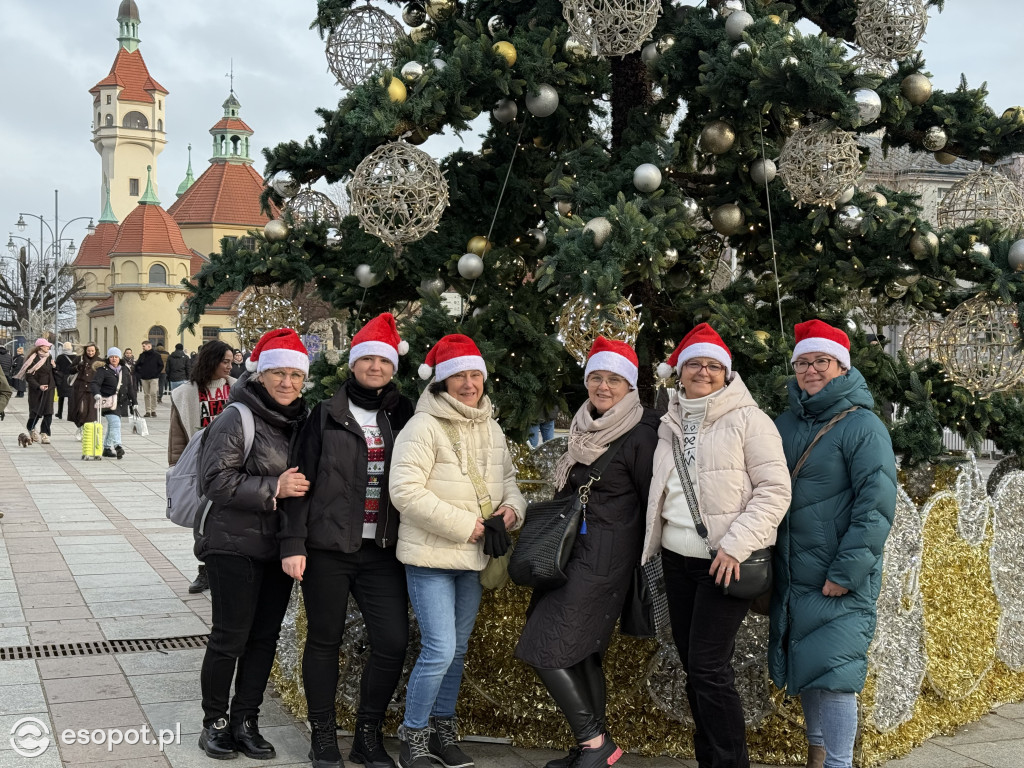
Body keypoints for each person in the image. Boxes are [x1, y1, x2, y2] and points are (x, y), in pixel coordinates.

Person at [641, 324, 791, 768]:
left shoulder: (750, 420)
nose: (703, 372)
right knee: (695, 667)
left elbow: (774, 490)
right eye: (694, 364)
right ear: (679, 371)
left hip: (725, 562)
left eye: (712, 365)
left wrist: (736, 546)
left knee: (708, 667)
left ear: (726, 374)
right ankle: (712, 759)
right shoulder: (669, 421)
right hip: (676, 559)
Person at [515, 336, 658, 768]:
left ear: (630, 386)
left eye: (614, 379)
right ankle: (592, 748)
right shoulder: (583, 427)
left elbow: (654, 503)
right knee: (580, 652)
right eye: (596, 377)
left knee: (542, 646)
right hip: (569, 555)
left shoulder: (641, 434)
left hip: (604, 562)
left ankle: (593, 742)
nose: (603, 386)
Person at [281, 313, 416, 768]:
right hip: (327, 548)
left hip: (382, 550)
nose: (375, 366)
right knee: (324, 639)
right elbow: (299, 483)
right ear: (353, 364)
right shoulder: (325, 413)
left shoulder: (405, 413)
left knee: (393, 641)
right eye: (367, 359)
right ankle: (323, 736)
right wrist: (293, 544)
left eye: (383, 360)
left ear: (393, 367)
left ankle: (367, 734)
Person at [390, 334, 526, 768]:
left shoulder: (490, 425)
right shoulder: (423, 426)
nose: (469, 384)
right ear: (441, 382)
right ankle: (413, 734)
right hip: (432, 558)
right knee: (440, 649)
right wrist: (466, 526)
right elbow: (404, 491)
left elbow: (510, 484)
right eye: (459, 377)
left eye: (475, 375)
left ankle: (442, 729)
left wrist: (509, 512)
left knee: (458, 649)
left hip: (474, 559)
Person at [769, 320, 897, 768]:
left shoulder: (863, 426)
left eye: (820, 361)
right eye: (802, 362)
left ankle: (839, 763)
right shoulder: (784, 423)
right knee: (810, 667)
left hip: (836, 573)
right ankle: (817, 757)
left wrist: (846, 573)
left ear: (841, 367)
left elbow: (876, 506)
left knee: (838, 675)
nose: (810, 370)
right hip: (794, 572)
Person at [195, 328, 310, 761]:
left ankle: (246, 719)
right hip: (233, 544)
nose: (286, 382)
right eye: (277, 372)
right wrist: (273, 487)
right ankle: (215, 723)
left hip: (279, 546)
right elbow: (215, 481)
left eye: (295, 375)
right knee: (230, 637)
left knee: (264, 638)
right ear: (260, 375)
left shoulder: (302, 419)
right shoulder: (237, 416)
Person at [168, 340, 236, 595]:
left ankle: (225, 569)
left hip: (232, 464)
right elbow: (177, 433)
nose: (230, 366)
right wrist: (176, 466)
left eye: (231, 361)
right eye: (225, 361)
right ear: (211, 361)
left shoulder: (237, 388)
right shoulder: (186, 393)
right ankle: (205, 569)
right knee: (203, 520)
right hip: (200, 465)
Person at [90, 347, 137, 460]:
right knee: (115, 423)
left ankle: (106, 448)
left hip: (121, 402)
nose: (114, 359)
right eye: (111, 357)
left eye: (116, 357)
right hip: (108, 402)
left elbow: (130, 387)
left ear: (119, 358)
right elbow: (95, 384)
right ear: (108, 358)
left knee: (112, 426)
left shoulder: (125, 369)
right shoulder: (103, 370)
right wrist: (97, 394)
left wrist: (134, 401)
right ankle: (118, 446)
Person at [15, 339, 56, 444]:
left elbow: (52, 372)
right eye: (46, 346)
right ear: (41, 346)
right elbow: (29, 376)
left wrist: (55, 367)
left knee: (48, 412)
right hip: (37, 390)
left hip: (49, 388)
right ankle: (31, 428)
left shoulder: (49, 357)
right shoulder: (32, 358)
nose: (48, 347)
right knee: (35, 412)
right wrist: (39, 386)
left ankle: (44, 433)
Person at [70, 343, 102, 438]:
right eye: (88, 351)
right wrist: (77, 367)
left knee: (91, 410)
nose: (90, 353)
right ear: (85, 350)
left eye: (92, 351)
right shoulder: (80, 359)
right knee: (80, 409)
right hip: (80, 388)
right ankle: (80, 425)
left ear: (95, 351)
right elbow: (69, 370)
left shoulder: (99, 361)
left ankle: (87, 429)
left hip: (93, 389)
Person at [136, 340, 163, 417]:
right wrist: (141, 372)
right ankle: (148, 411)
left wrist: (156, 373)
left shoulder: (156, 355)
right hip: (144, 378)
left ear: (149, 346)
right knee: (146, 394)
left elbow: (161, 365)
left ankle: (153, 410)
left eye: (144, 346)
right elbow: (138, 365)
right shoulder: (142, 355)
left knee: (153, 393)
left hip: (154, 377)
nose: (143, 348)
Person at [54, 342, 79, 420]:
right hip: (72, 379)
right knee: (71, 398)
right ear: (71, 348)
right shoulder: (75, 357)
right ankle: (70, 414)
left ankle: (59, 413)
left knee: (61, 397)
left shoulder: (60, 357)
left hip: (62, 379)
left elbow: (56, 368)